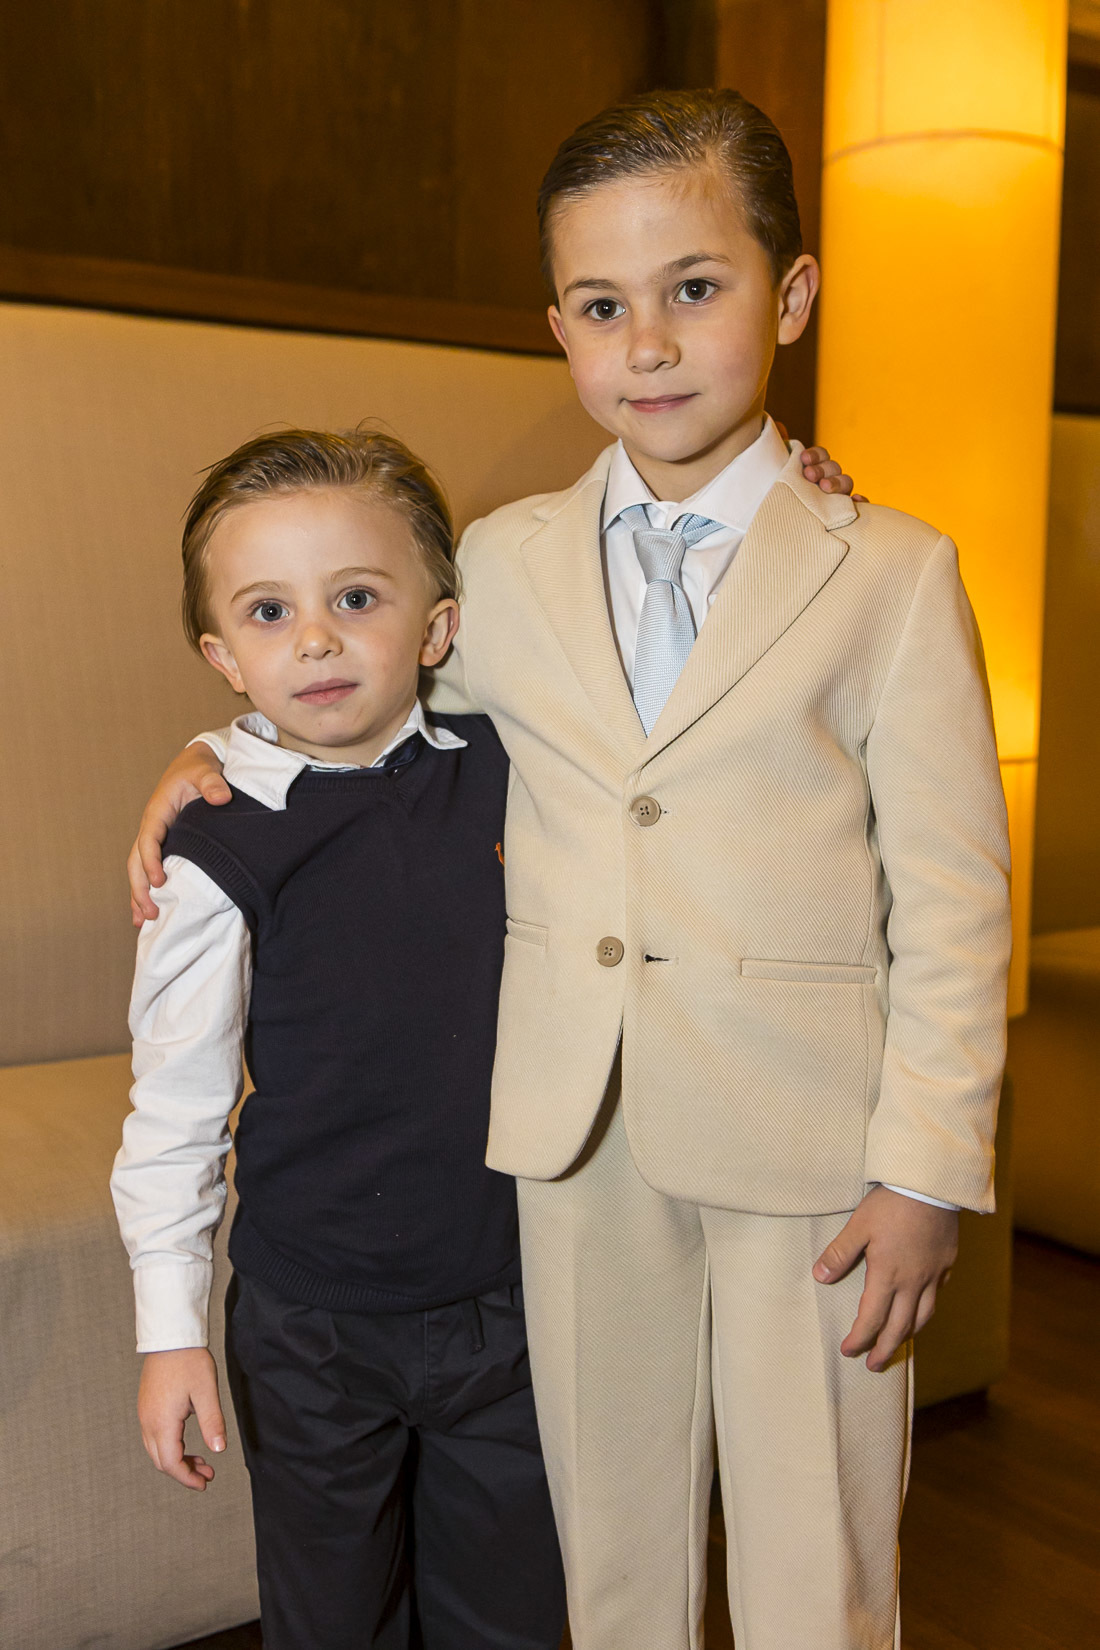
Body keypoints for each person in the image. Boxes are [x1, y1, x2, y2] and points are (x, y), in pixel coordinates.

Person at [128, 89, 1011, 1650]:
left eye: (696, 287)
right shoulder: (503, 561)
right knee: (606, 1552)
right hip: (569, 1143)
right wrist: (214, 755)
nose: (648, 344)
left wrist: (926, 1168)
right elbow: (356, 692)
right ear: (558, 328)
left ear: (792, 296)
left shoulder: (891, 569)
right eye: (603, 307)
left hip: (813, 1143)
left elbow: (954, 897)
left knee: (817, 1552)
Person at [111, 428, 567, 1650]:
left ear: (437, 627)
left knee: (514, 1619)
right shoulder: (215, 842)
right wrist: (170, 1331)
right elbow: (175, 1105)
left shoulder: (512, 768)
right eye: (269, 612)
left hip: (512, 1300)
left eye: (356, 598)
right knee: (330, 1625)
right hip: (309, 1327)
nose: (314, 639)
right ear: (222, 657)